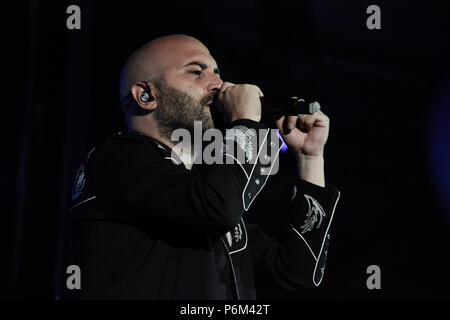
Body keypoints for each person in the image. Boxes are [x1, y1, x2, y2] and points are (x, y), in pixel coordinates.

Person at [61, 34, 340, 299]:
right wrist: (244, 122)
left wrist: (309, 158)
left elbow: (296, 273)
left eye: (217, 71)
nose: (218, 83)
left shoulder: (200, 188)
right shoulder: (116, 158)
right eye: (196, 72)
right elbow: (216, 208)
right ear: (146, 95)